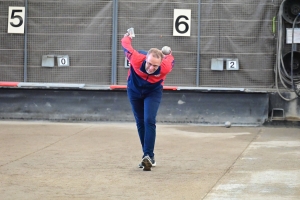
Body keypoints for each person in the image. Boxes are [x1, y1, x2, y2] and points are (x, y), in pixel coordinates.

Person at [121, 31, 174, 171]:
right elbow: (125, 44)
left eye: (155, 66)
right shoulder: (136, 58)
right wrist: (128, 36)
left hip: (153, 92)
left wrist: (168, 54)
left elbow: (170, 57)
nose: (151, 68)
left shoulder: (166, 66)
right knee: (140, 121)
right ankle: (148, 156)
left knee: (149, 120)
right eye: (149, 64)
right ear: (146, 59)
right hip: (134, 90)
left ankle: (148, 156)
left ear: (160, 64)